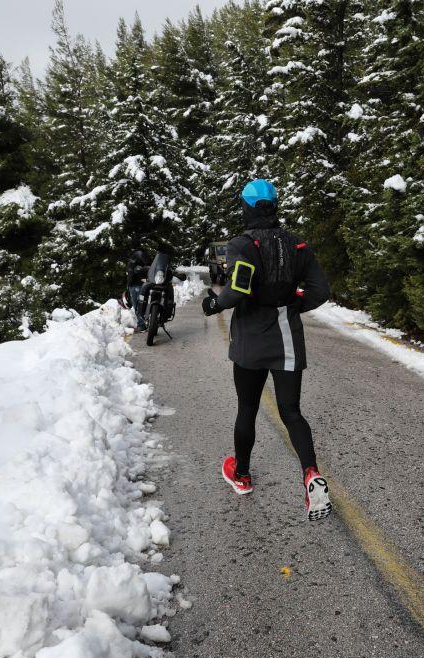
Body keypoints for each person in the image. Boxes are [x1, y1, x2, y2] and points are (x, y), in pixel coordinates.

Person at [201, 179, 333, 521]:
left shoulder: (242, 244)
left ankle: (242, 475)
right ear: (274, 206)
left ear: (245, 208)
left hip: (250, 341)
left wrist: (215, 304)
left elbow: (238, 290)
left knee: (247, 407)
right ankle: (310, 474)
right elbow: (320, 291)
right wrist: (291, 305)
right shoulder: (297, 245)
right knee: (291, 411)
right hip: (287, 337)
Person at [128, 245, 177, 332]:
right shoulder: (138, 254)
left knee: (139, 302)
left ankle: (142, 324)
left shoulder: (140, 254)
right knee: (139, 303)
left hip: (138, 282)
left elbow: (153, 266)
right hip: (135, 282)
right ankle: (143, 323)